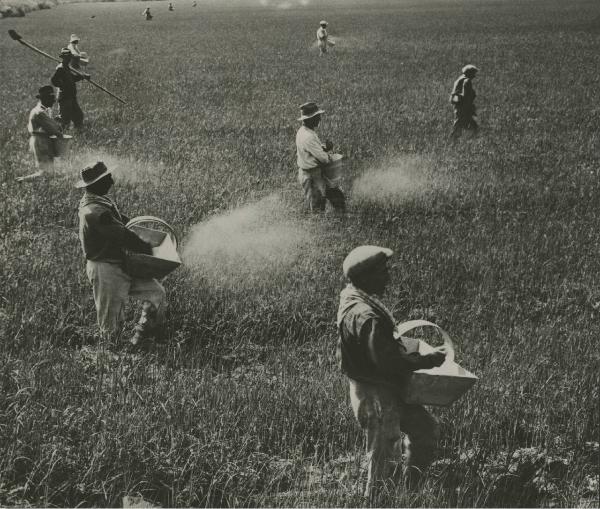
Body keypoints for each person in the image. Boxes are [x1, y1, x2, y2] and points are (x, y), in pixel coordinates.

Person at [337, 246, 447, 499]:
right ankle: (378, 502)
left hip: (384, 387)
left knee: (425, 429)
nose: (388, 277)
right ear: (365, 278)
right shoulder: (367, 316)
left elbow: (382, 353)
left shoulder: (352, 296)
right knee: (385, 459)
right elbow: (387, 362)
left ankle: (411, 493)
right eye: (382, 272)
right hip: (375, 393)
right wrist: (427, 360)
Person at [77, 162, 167, 347]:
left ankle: (143, 336)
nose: (112, 180)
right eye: (107, 177)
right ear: (95, 183)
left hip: (122, 263)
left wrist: (146, 233)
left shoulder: (102, 201)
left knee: (157, 294)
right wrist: (150, 249)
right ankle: (110, 357)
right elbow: (123, 235)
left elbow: (124, 222)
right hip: (106, 269)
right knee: (111, 321)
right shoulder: (93, 211)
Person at [295, 102, 345, 213]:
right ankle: (320, 226)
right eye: (317, 117)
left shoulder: (303, 131)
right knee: (317, 207)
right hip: (311, 176)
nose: (319, 119)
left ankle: (341, 218)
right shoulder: (308, 137)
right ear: (310, 119)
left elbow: (312, 150)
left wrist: (323, 147)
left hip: (314, 172)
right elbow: (324, 159)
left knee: (337, 197)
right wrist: (330, 153)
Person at [17, 86, 64, 182]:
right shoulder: (40, 112)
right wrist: (61, 134)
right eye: (51, 99)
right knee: (46, 172)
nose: (53, 101)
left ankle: (25, 180)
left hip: (42, 139)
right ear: (45, 99)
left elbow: (49, 124)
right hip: (41, 141)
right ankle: (23, 180)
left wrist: (55, 123)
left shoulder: (43, 109)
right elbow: (53, 129)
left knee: (49, 170)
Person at [51, 48, 90, 130]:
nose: (69, 59)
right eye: (67, 57)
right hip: (65, 97)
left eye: (69, 57)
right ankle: (59, 135)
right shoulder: (60, 68)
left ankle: (79, 132)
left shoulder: (67, 67)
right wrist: (63, 85)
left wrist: (82, 76)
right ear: (63, 58)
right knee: (65, 120)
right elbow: (54, 80)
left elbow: (72, 78)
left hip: (71, 96)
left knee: (78, 116)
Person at [450, 64, 479, 139]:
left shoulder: (459, 79)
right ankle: (456, 140)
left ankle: (455, 140)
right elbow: (466, 95)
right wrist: (469, 107)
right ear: (470, 73)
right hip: (463, 106)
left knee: (459, 123)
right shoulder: (467, 81)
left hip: (458, 104)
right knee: (472, 126)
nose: (474, 76)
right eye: (473, 73)